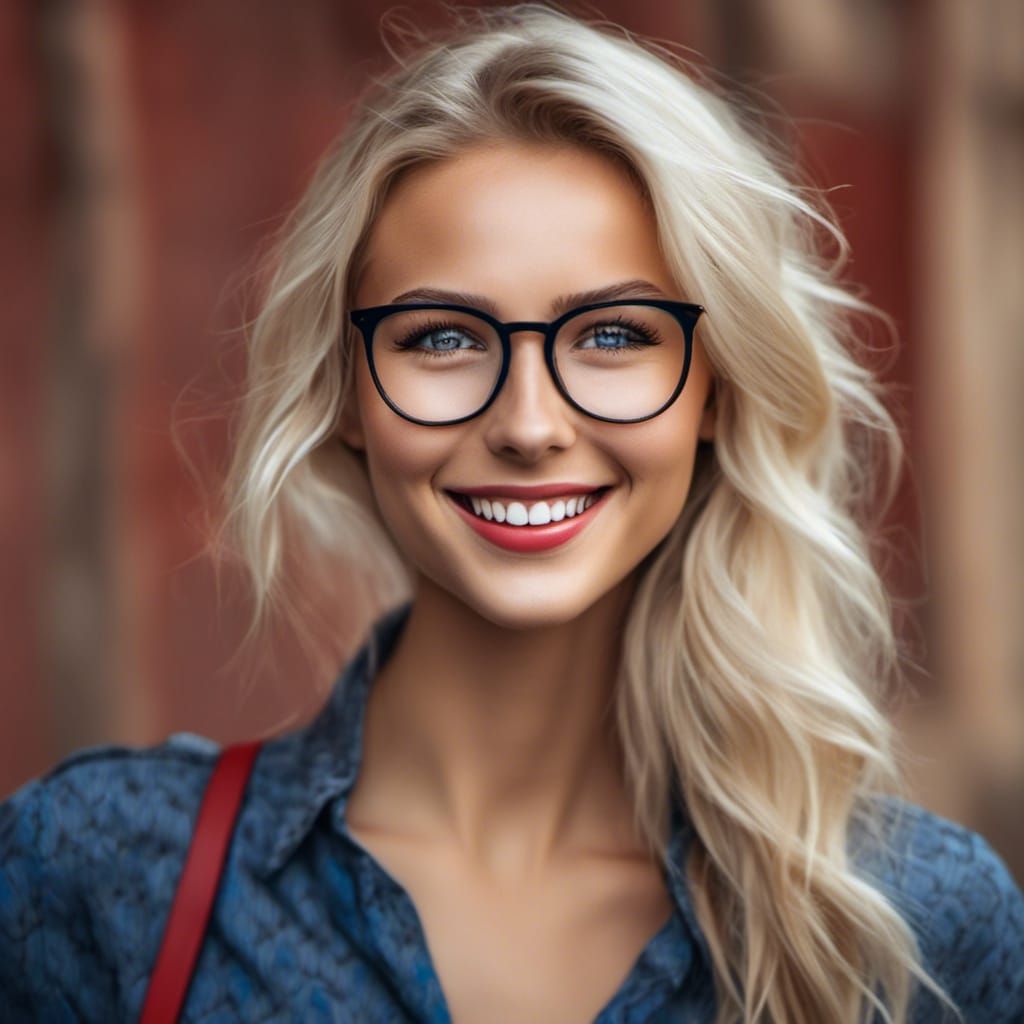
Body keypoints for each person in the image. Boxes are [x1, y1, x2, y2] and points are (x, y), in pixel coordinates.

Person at [2, 4, 1022, 1022]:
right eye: (442, 338)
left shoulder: (918, 923)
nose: (529, 425)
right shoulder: (94, 875)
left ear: (715, 389)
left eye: (613, 335)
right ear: (344, 391)